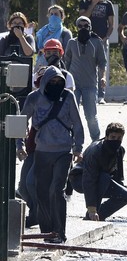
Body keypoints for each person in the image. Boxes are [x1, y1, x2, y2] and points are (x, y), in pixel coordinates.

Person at [20, 66, 84, 243]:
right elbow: (22, 122)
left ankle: (59, 232)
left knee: (57, 190)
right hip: (42, 152)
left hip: (64, 152)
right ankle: (47, 233)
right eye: (52, 82)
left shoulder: (68, 97)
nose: (55, 84)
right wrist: (20, 145)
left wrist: (78, 148)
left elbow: (77, 125)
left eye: (58, 82)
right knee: (41, 192)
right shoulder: (34, 98)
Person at [69, 122, 127, 221]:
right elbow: (89, 180)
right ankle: (92, 214)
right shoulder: (95, 151)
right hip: (80, 179)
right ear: (106, 137)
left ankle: (99, 215)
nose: (116, 140)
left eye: (119, 138)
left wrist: (120, 187)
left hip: (102, 179)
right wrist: (91, 209)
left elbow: (117, 175)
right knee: (104, 177)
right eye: (113, 137)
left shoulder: (120, 150)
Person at [63, 16, 107, 142]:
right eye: (80, 26)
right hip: (73, 86)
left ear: (90, 27)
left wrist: (103, 77)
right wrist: (65, 81)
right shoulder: (71, 42)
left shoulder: (96, 43)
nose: (83, 28)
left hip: (90, 85)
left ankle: (96, 141)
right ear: (77, 28)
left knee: (91, 116)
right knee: (71, 115)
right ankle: (71, 141)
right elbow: (67, 62)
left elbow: (102, 62)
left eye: (86, 26)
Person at [79, 0, 115, 105]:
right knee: (87, 66)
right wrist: (93, 3)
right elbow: (83, 18)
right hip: (86, 39)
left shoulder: (108, 4)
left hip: (101, 39)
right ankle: (87, 94)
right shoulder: (85, 2)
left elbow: (111, 25)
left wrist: (106, 37)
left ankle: (101, 95)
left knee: (102, 66)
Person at [35, 5, 73, 70]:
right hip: (40, 66)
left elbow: (67, 54)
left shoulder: (65, 33)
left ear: (62, 17)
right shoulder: (42, 32)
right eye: (51, 14)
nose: (53, 16)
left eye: (56, 14)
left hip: (58, 67)